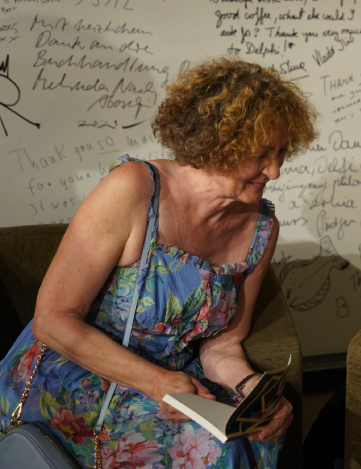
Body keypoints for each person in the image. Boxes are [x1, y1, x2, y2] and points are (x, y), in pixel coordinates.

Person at [0, 57, 317, 468]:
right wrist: (154, 381)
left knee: (252, 436)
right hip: (76, 375)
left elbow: (222, 345)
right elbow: (53, 319)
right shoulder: (133, 189)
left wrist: (253, 389)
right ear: (219, 142)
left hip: (172, 385)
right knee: (214, 452)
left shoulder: (262, 229)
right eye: (261, 154)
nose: (274, 171)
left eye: (282, 152)